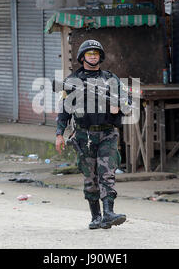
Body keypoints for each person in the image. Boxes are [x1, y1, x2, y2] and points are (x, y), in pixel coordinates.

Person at [55, 39, 130, 230]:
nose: (93, 56)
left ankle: (109, 213)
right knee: (90, 178)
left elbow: (127, 102)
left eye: (96, 53)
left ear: (101, 57)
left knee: (108, 173)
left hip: (107, 133)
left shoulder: (111, 79)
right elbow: (64, 110)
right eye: (89, 54)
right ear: (82, 57)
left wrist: (119, 106)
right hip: (84, 136)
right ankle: (96, 216)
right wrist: (59, 134)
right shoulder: (72, 82)